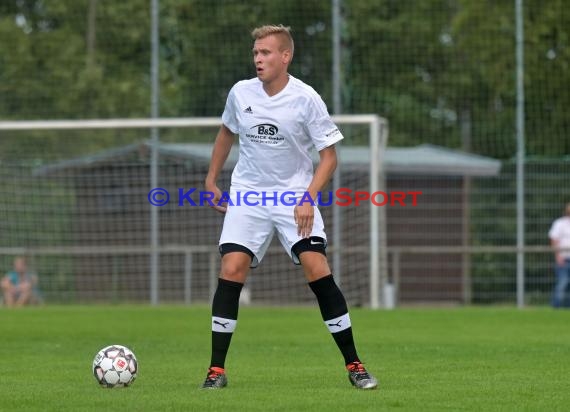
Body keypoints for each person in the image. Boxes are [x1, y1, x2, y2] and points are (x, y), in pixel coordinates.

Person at [202, 24, 377, 390]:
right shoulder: (240, 93)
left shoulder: (306, 98)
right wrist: (211, 179)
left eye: (265, 53)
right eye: (255, 53)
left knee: (317, 268)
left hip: (293, 196)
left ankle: (355, 365)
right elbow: (226, 133)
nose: (258, 59)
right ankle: (216, 371)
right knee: (232, 268)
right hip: (249, 194)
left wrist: (307, 197)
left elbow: (329, 157)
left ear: (286, 56)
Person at [548, 203, 570, 308]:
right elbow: (554, 239)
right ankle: (557, 307)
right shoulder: (560, 223)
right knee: (562, 283)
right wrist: (558, 256)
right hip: (564, 258)